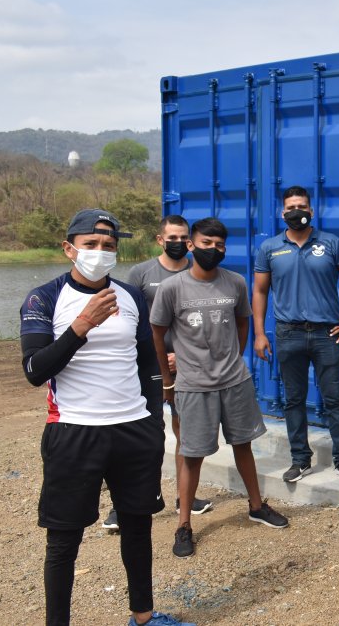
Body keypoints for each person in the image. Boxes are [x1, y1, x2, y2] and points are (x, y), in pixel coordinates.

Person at [19, 208, 192, 626]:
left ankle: (144, 617)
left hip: (133, 431)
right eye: (91, 245)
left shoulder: (131, 296)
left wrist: (153, 423)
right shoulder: (43, 299)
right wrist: (81, 326)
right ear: (69, 249)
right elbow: (34, 370)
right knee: (64, 540)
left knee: (138, 527)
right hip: (75, 430)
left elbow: (148, 362)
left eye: (109, 246)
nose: (100, 253)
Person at [153, 217, 289, 558]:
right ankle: (184, 524)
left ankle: (256, 506)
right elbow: (157, 332)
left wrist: (234, 358)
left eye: (219, 245)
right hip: (193, 386)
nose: (213, 250)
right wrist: (167, 379)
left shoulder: (236, 283)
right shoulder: (172, 288)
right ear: (190, 245)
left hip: (234, 381)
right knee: (192, 455)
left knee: (243, 445)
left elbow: (243, 323)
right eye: (205, 244)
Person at [103, 215, 212, 532]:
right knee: (142, 436)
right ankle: (124, 505)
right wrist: (154, 355)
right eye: (172, 237)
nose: (178, 242)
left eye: (183, 237)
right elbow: (125, 318)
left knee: (185, 435)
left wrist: (183, 354)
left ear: (189, 241)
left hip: (186, 366)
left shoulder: (198, 273)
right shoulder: (141, 273)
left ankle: (185, 498)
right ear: (159, 239)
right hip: (147, 366)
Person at [253, 185, 339, 484]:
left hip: (326, 334)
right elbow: (260, 291)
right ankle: (300, 459)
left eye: (301, 206)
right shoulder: (270, 248)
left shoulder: (331, 243)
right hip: (287, 333)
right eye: (290, 208)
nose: (296, 212)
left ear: (311, 211)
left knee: (335, 398)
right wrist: (259, 334)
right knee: (294, 399)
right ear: (282, 213)